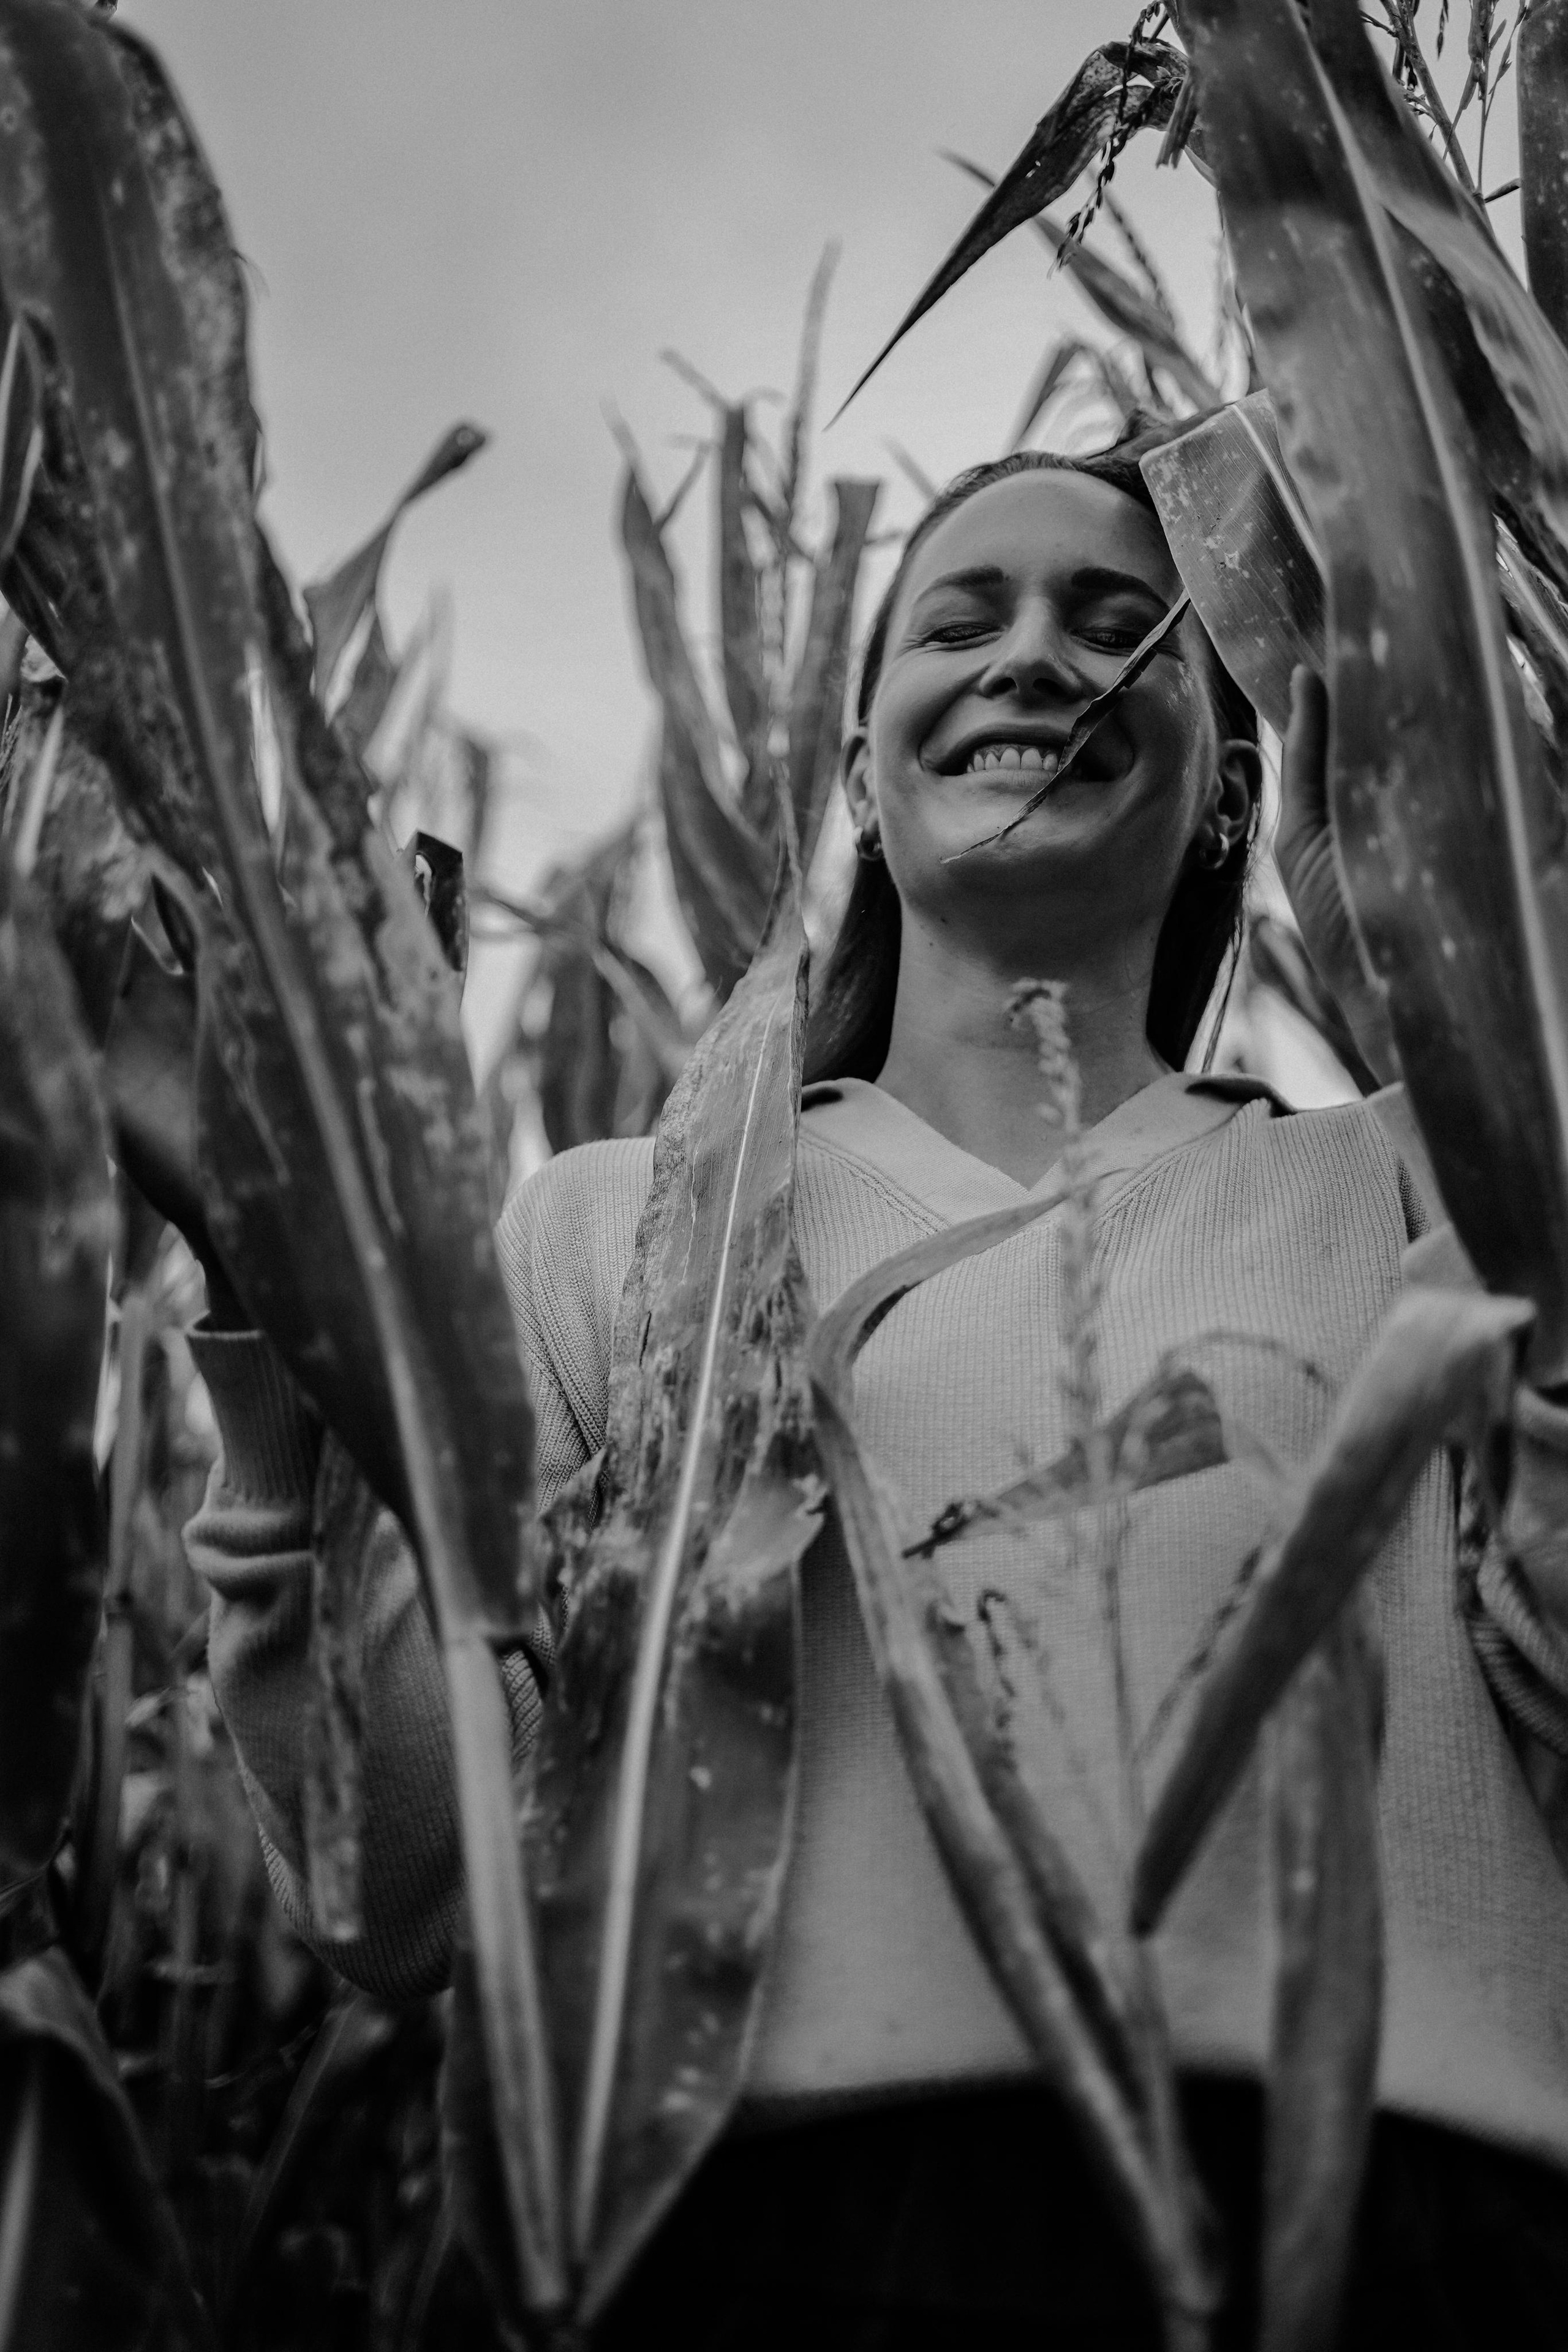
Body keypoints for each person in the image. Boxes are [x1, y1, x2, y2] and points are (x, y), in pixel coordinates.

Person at [176, 430, 1568, 2348]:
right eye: (962, 620)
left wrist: (1475, 1028)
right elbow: (400, 1883)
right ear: (859, 768)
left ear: (1240, 784)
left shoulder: (1431, 1181)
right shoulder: (625, 1236)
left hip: (1399, 2235)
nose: (1032, 659)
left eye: (1116, 622)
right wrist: (284, 1331)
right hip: (773, 2245)